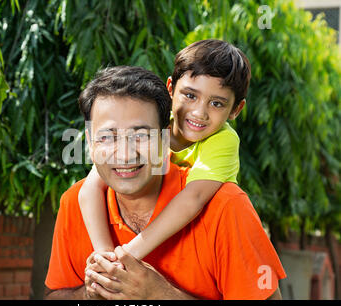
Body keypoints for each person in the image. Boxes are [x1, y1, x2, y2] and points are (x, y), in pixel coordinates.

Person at [44, 64, 286, 300]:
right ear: (90, 140)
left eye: (141, 135)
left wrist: (160, 295)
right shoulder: (75, 203)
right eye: (108, 137)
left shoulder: (226, 206)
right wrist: (93, 291)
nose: (125, 154)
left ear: (164, 137)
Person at [78, 39, 249, 261]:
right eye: (190, 95)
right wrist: (104, 255)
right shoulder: (152, 124)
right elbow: (90, 188)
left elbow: (193, 199)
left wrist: (129, 255)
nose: (199, 113)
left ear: (236, 109)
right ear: (171, 88)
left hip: (201, 236)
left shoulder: (223, 140)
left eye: (216, 103)